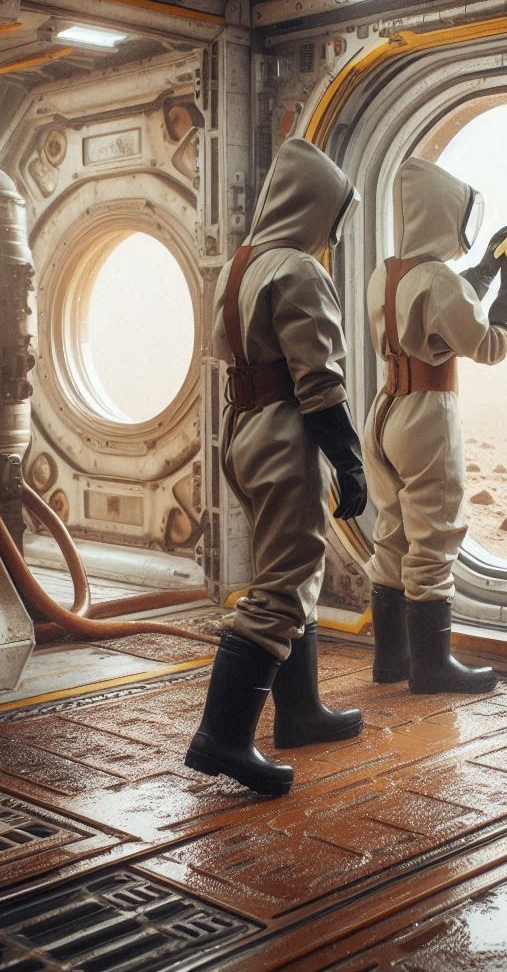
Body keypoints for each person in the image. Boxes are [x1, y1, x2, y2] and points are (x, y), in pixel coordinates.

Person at [186, 139, 367, 796]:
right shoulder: (298, 270)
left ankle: (301, 711)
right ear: (315, 208)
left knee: (291, 568)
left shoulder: (242, 265)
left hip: (240, 428)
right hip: (285, 430)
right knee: (284, 584)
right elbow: (319, 381)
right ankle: (224, 738)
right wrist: (350, 462)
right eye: (333, 218)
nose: (332, 235)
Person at [363, 157, 507, 693]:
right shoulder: (439, 280)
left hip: (384, 410)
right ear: (443, 216)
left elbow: (439, 307)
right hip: (426, 415)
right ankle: (432, 668)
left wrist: (481, 269)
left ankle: (392, 660)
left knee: (391, 535)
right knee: (435, 536)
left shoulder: (387, 272)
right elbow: (486, 343)